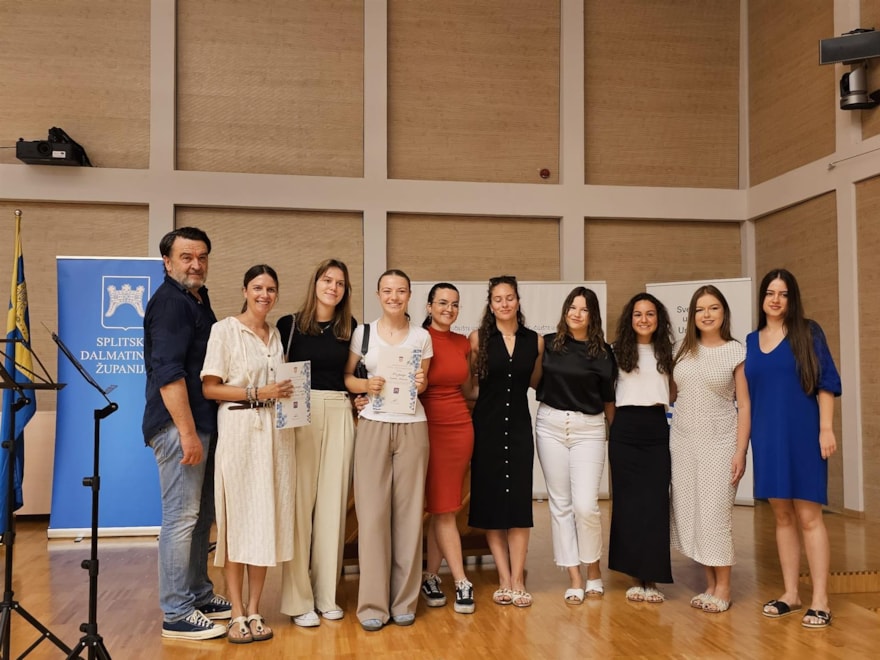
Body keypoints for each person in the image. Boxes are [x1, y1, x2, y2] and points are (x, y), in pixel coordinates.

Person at [142, 226, 231, 640]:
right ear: (167, 261)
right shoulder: (170, 303)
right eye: (186, 257)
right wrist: (188, 433)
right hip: (180, 428)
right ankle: (176, 611)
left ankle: (198, 594)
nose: (196, 264)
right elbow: (169, 373)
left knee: (201, 518)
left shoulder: (197, 298)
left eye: (202, 257)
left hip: (203, 426)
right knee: (181, 518)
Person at [201, 265, 295, 644]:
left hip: (274, 434)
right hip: (239, 429)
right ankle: (236, 612)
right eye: (257, 287)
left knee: (265, 521)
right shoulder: (224, 330)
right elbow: (210, 388)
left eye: (271, 289)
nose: (264, 295)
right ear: (244, 290)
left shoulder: (276, 335)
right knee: (238, 522)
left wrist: (286, 394)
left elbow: (280, 385)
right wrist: (258, 393)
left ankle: (255, 609)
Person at [744, 269, 841, 629]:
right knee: (782, 516)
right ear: (762, 298)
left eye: (783, 294)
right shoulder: (750, 341)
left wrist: (826, 428)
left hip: (804, 434)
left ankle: (821, 600)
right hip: (767, 438)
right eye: (770, 293)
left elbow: (826, 382)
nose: (776, 300)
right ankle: (791, 594)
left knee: (809, 516)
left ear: (792, 298)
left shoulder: (808, 332)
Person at [343, 269, 433, 632]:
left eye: (400, 291)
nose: (394, 297)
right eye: (387, 291)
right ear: (378, 295)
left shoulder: (422, 337)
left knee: (409, 516)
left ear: (409, 295)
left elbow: (421, 386)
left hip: (413, 426)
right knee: (372, 515)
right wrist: (365, 385)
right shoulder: (363, 334)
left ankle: (404, 602)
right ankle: (372, 604)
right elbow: (348, 378)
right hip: (373, 425)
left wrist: (420, 381)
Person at [277, 259, 358, 627]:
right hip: (300, 412)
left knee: (332, 506)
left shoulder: (350, 328)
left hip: (339, 410)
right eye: (327, 280)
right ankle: (299, 600)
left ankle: (326, 595)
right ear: (315, 283)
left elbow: (354, 375)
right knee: (299, 507)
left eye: (340, 283)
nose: (333, 288)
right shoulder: (289, 325)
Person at [669, 285, 750, 614]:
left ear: (723, 313)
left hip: (721, 442)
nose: (706, 314)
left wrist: (741, 451)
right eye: (700, 309)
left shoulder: (736, 351)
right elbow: (671, 393)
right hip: (683, 441)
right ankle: (709, 585)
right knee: (692, 512)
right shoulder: (680, 350)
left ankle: (724, 587)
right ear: (692, 315)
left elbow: (744, 405)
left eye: (713, 308)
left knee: (715, 514)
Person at [535, 287, 616, 605]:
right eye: (572, 307)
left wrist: (615, 435)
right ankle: (574, 578)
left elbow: (609, 399)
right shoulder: (548, 344)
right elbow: (532, 380)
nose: (576, 313)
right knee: (561, 505)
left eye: (584, 309)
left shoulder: (604, 353)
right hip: (550, 425)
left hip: (589, 429)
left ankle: (593, 570)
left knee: (586, 506)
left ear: (593, 315)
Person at [468, 275, 543, 608]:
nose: (504, 304)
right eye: (497, 299)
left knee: (518, 505)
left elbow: (536, 381)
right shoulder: (477, 339)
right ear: (490, 303)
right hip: (487, 428)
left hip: (520, 429)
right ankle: (504, 578)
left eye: (509, 297)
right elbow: (468, 387)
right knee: (492, 503)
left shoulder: (534, 341)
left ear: (518, 300)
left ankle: (518, 579)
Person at [608, 292, 675, 603]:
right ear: (629, 318)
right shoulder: (616, 351)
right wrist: (617, 428)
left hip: (656, 428)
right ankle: (635, 576)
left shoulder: (669, 352)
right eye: (638, 314)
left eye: (650, 314)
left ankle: (653, 577)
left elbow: (672, 393)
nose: (644, 319)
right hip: (625, 429)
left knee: (656, 503)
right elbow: (609, 398)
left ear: (658, 319)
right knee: (628, 504)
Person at [418, 283, 476, 614]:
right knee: (442, 508)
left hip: (460, 428)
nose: (448, 309)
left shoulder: (462, 342)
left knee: (445, 508)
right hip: (428, 427)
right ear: (429, 306)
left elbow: (467, 391)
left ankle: (430, 576)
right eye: (442, 303)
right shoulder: (418, 338)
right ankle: (461, 579)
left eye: (454, 304)